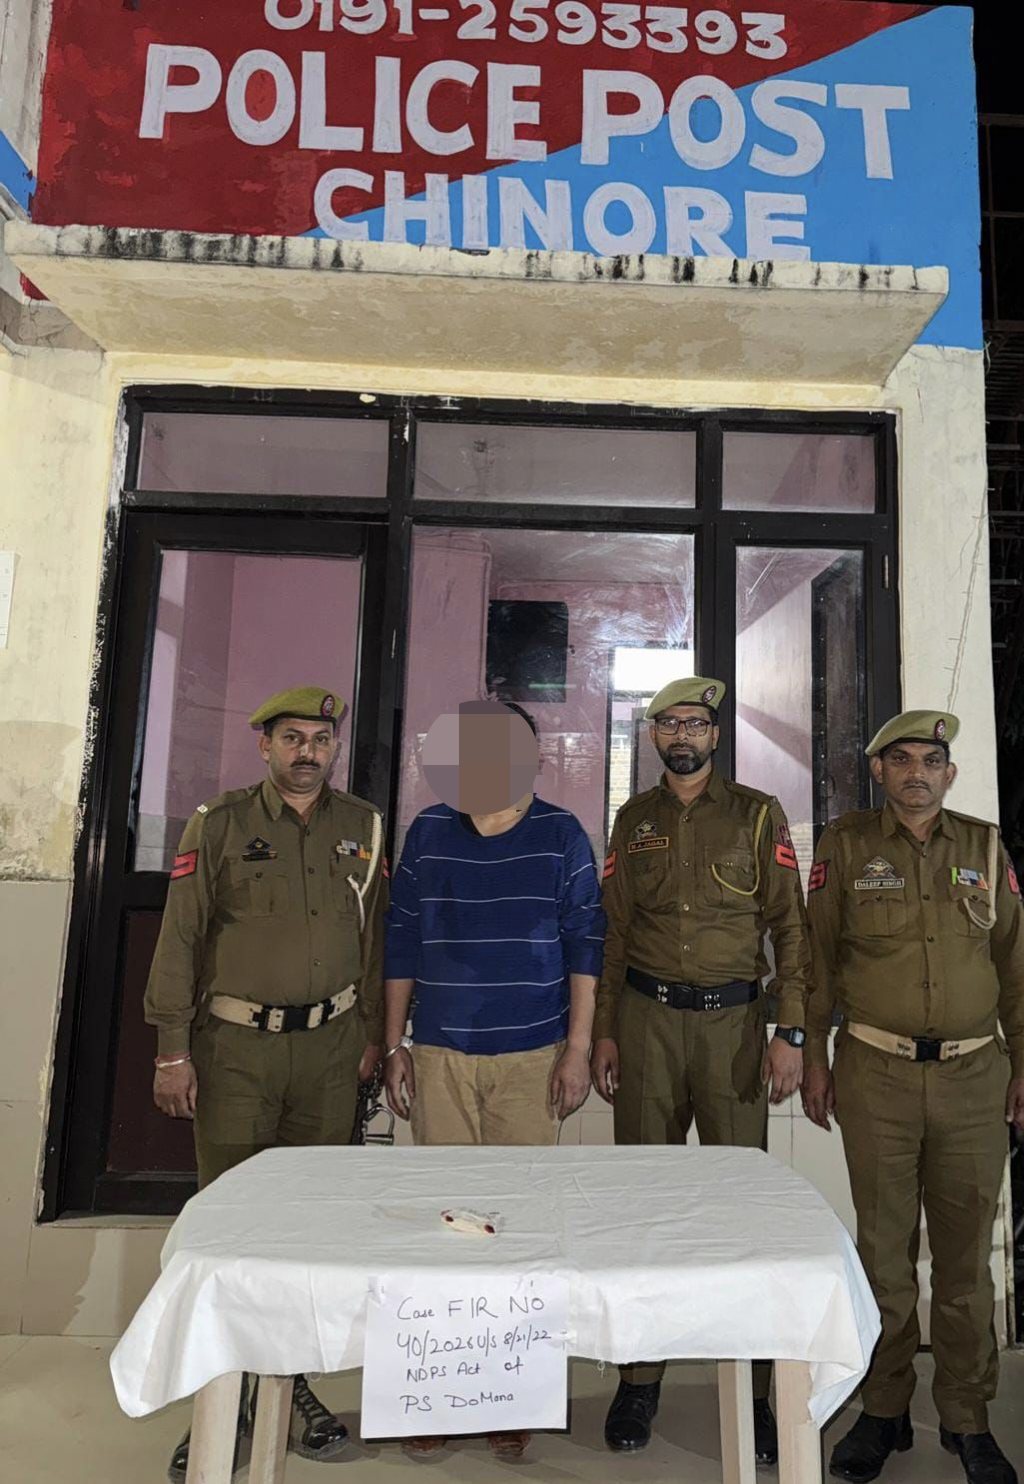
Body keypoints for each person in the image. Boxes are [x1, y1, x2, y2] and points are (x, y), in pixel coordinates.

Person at [145, 685, 386, 1480]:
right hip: (237, 1054)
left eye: (320, 740)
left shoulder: (365, 826)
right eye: (292, 739)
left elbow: (374, 940)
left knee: (308, 1230)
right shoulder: (219, 824)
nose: (307, 753)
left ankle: (292, 1384)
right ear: (264, 745)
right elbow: (181, 937)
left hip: (329, 1056)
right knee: (232, 1233)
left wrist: (372, 1036)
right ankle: (222, 1403)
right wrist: (172, 1050)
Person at [590, 676, 812, 1466]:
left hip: (734, 1029)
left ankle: (752, 1387)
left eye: (695, 722)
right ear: (653, 735)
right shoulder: (633, 821)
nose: (682, 733)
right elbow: (615, 934)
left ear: (715, 736)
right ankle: (639, 1377)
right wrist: (606, 1031)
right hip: (647, 1023)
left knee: (739, 1209)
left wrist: (791, 1031)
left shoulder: (757, 814)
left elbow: (791, 926)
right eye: (668, 722)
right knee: (643, 1204)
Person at [803, 710, 1024, 1484]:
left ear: (949, 774)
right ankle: (884, 1409)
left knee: (966, 1266)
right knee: (883, 1258)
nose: (916, 774)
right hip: (877, 1076)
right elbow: (815, 960)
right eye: (900, 760)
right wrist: (812, 1054)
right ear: (879, 772)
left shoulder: (986, 848)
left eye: (930, 761)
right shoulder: (845, 846)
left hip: (974, 1079)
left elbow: (1017, 966)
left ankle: (967, 1417)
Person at [383, 699, 604, 1463]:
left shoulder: (562, 836)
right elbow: (401, 938)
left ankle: (512, 1395)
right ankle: (440, 1390)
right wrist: (394, 1043)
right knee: (449, 1225)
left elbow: (586, 943)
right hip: (440, 1054)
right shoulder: (428, 833)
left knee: (519, 1226)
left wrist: (577, 1050)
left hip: (532, 1056)